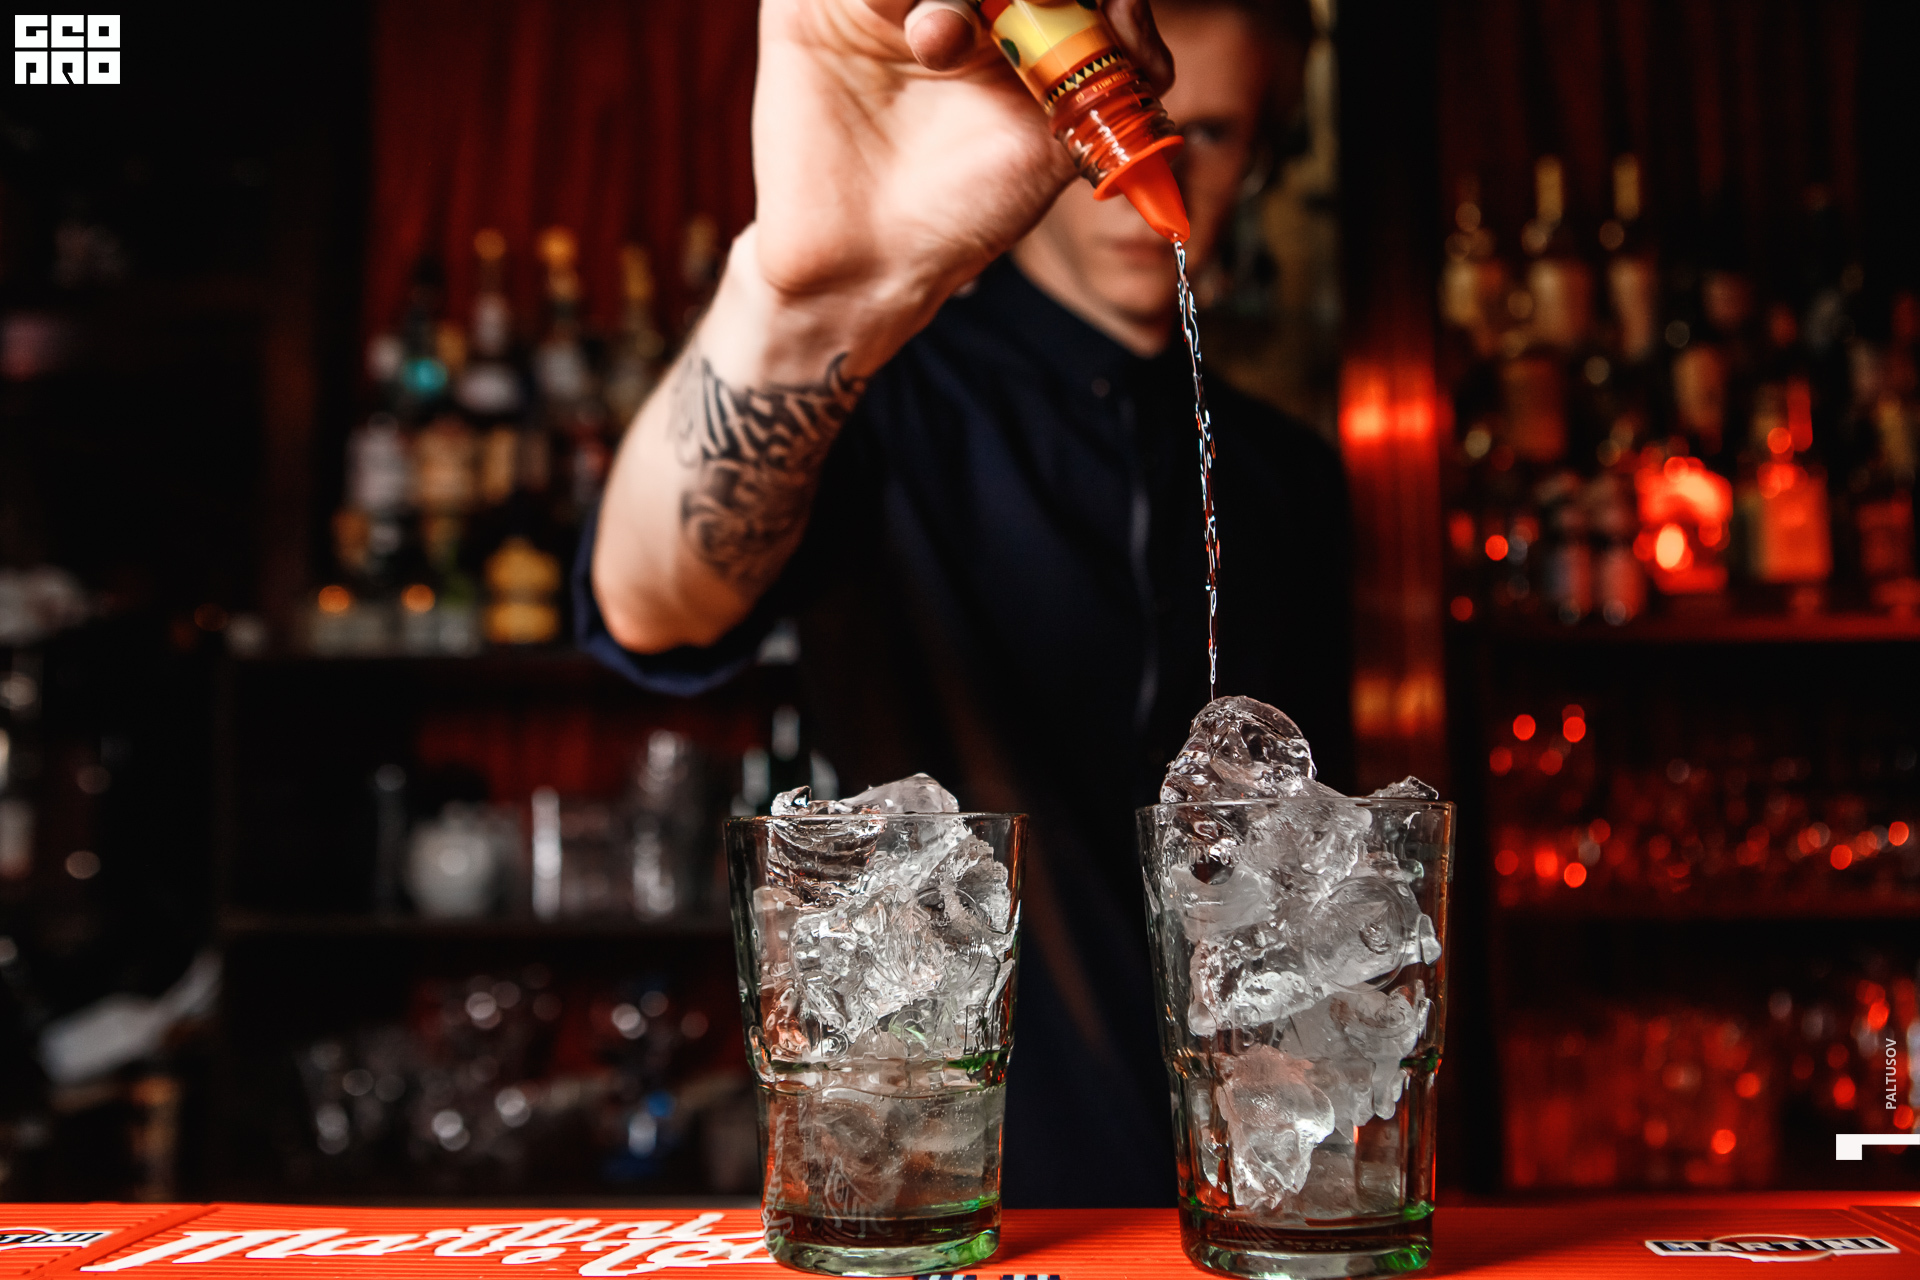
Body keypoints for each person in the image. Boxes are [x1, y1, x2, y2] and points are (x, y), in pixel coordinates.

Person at [581, 0, 1349, 1207]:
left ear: (1265, 147)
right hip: (947, 1179)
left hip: (1260, 1192)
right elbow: (650, 601)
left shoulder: (1290, 477)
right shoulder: (881, 392)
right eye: (1130, 116)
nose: (1159, 166)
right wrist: (798, 305)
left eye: (1213, 131)